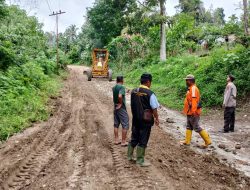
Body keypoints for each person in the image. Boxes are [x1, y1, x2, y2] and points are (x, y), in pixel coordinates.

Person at [127, 73, 160, 167]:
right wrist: (157, 118)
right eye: (150, 82)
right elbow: (154, 108)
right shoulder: (150, 94)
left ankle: (129, 156)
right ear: (148, 82)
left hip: (135, 119)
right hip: (146, 121)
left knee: (134, 137)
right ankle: (140, 160)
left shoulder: (133, 91)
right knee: (143, 139)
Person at [180, 74, 212, 148]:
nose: (186, 81)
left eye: (187, 80)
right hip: (189, 111)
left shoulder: (193, 88)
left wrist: (194, 111)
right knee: (189, 126)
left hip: (193, 112)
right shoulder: (190, 88)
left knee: (196, 127)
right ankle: (187, 141)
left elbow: (194, 101)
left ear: (190, 81)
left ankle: (208, 141)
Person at [112, 76, 129, 146]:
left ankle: (116, 140)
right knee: (125, 124)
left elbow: (117, 94)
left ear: (116, 80)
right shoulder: (122, 87)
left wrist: (126, 92)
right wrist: (121, 103)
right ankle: (123, 141)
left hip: (115, 107)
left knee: (116, 124)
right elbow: (120, 96)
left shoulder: (114, 87)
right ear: (122, 80)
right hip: (121, 108)